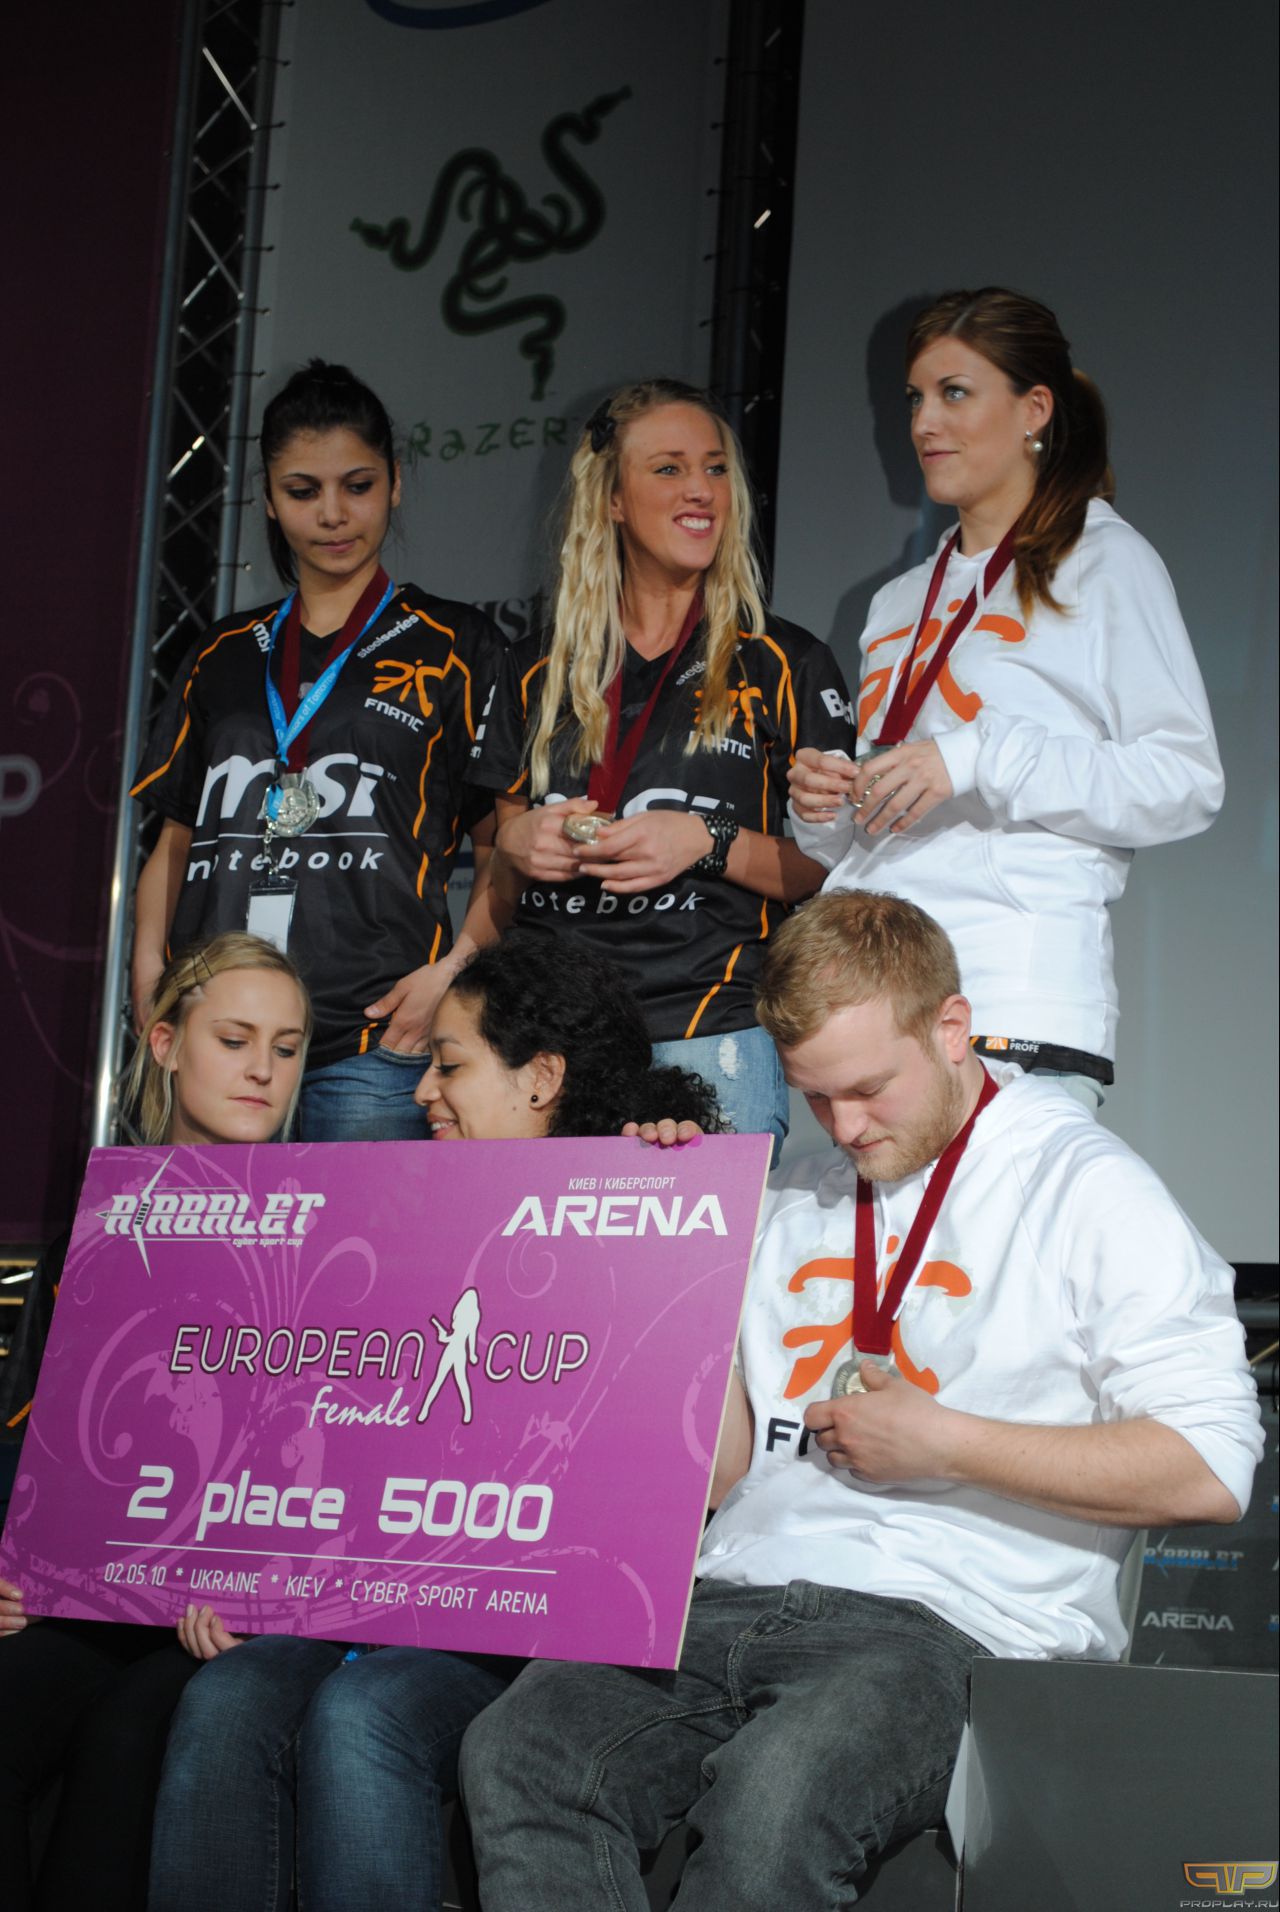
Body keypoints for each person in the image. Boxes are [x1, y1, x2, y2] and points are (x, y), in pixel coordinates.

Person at [459, 890, 1261, 1911]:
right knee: (519, 1748)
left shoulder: (1085, 1187)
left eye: (870, 1089)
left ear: (951, 1027)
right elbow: (728, 1467)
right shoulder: (796, 1189)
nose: (844, 1127)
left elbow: (1210, 1465)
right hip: (730, 1591)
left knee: (776, 1793)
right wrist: (674, 1244)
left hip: (949, 1620)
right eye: (814, 1096)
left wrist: (949, 1444)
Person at [147, 931, 722, 1912]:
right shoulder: (394, 1215)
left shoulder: (655, 1203)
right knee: (229, 1693)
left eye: (448, 1066)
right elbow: (320, 1440)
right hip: (377, 1604)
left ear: (541, 1079)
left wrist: (671, 1176)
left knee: (364, 1711)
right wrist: (246, 1574)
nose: (421, 1094)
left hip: (532, 1636)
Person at [788, 289, 1223, 1107]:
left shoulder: (1104, 562)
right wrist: (825, 807)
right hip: (878, 1005)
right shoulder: (895, 601)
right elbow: (874, 823)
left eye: (954, 393)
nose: (923, 423)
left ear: (1034, 410)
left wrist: (979, 757)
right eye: (914, 398)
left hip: (1013, 996)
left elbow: (1185, 781)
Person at [0, 934, 311, 1912]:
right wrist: (11, 1569)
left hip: (228, 1615)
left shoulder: (342, 1229)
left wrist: (269, 1594)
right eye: (234, 1039)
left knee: (132, 1735)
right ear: (168, 1044)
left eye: (288, 1047)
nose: (263, 1070)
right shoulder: (99, 1224)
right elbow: (29, 1429)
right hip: (89, 1597)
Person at [471, 377, 857, 1155]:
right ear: (612, 499)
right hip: (547, 1045)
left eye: (715, 469)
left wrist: (704, 841)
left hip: (709, 1032)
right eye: (669, 468)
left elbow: (824, 867)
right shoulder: (529, 668)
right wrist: (515, 844)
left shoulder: (786, 662)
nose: (701, 490)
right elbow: (498, 868)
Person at [130, 359, 505, 1141]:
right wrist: (149, 979)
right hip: (219, 1032)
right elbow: (174, 838)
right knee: (209, 1225)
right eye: (303, 491)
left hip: (373, 1039)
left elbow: (502, 842)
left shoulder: (455, 642)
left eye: (357, 486)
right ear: (269, 499)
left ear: (394, 484)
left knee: (362, 1230)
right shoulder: (223, 651)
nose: (333, 515)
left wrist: (451, 974)